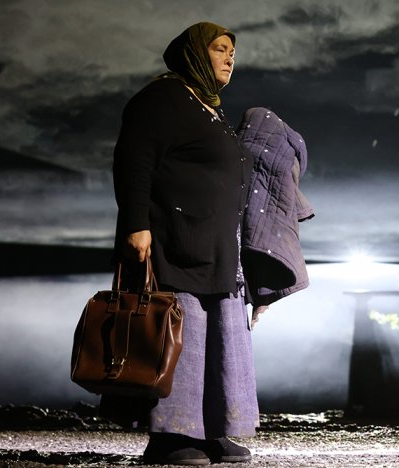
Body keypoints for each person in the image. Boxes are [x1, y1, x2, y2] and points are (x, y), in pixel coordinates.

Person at [111, 21, 262, 465]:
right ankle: (171, 435)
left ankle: (215, 431)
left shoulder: (208, 107)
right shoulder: (162, 99)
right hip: (176, 241)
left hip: (217, 247)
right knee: (183, 335)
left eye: (232, 50)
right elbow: (133, 161)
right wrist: (136, 223)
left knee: (221, 339)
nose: (230, 57)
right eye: (219, 48)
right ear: (194, 53)